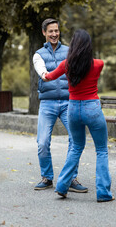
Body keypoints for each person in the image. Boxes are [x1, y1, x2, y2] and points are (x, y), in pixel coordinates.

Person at [45, 29, 114, 202]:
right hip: (92, 108)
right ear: (88, 46)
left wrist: (42, 73)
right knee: (102, 150)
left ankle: (61, 186)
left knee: (76, 147)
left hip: (73, 108)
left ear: (73, 45)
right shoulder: (98, 64)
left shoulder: (66, 65)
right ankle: (104, 193)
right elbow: (92, 66)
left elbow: (49, 77)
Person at [32, 18, 88, 193]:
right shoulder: (38, 54)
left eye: (56, 31)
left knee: (75, 139)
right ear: (44, 33)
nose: (54, 34)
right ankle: (47, 177)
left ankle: (71, 178)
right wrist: (46, 74)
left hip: (68, 102)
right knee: (42, 142)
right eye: (51, 31)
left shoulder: (70, 51)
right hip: (47, 103)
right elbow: (43, 73)